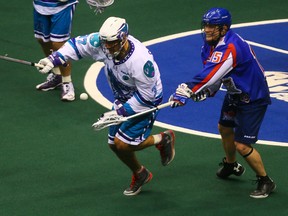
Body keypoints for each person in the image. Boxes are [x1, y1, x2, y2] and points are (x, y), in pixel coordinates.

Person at [37, 16, 176, 196]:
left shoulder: (140, 62)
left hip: (145, 102)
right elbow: (77, 45)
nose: (108, 47)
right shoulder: (104, 43)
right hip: (122, 98)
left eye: (112, 43)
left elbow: (148, 96)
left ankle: (163, 139)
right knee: (113, 144)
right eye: (106, 43)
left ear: (124, 38)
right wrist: (53, 59)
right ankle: (140, 173)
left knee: (123, 144)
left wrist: (121, 112)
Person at [169, 7, 276, 198]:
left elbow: (210, 75)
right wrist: (208, 91)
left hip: (252, 97)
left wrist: (187, 89)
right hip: (235, 94)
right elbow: (217, 77)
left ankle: (265, 180)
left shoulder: (231, 47)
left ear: (224, 28)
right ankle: (230, 164)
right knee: (225, 127)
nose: (207, 29)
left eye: (212, 26)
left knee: (242, 145)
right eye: (206, 25)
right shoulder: (208, 45)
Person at [33, 0, 114, 101]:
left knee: (58, 44)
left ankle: (67, 81)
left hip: (62, 6)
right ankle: (57, 75)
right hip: (40, 4)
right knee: (42, 40)